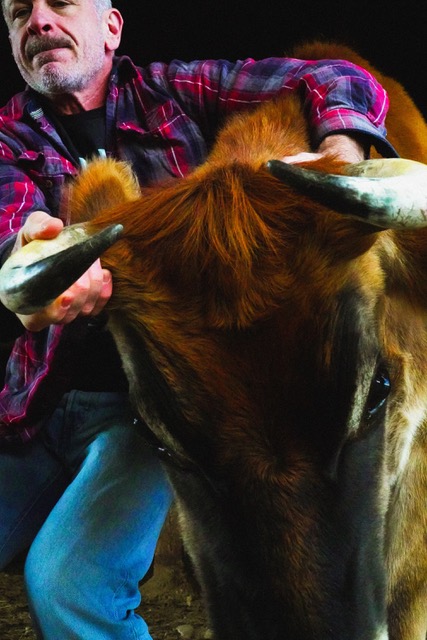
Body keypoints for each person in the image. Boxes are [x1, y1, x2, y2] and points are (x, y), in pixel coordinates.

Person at [0, 1, 397, 638]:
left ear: (112, 27)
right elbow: (6, 218)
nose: (41, 21)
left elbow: (329, 78)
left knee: (68, 582)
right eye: (20, 12)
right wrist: (26, 250)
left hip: (159, 406)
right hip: (33, 406)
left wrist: (341, 151)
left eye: (64, 3)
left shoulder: (176, 89)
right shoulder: (7, 137)